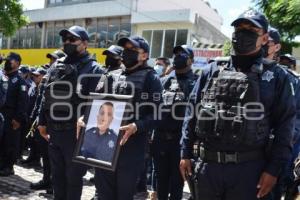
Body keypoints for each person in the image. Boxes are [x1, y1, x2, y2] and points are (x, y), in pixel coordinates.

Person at [179, 9, 296, 200]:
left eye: (251, 29)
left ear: (265, 38)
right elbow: (191, 113)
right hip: (207, 167)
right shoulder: (212, 70)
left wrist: (274, 170)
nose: (243, 34)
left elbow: (285, 127)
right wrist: (184, 153)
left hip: (250, 170)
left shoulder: (277, 77)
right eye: (239, 28)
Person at [78, 36, 163, 200]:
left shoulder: (152, 79)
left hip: (131, 149)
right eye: (125, 49)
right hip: (103, 147)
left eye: (132, 50)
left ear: (144, 55)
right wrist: (85, 117)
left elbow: (158, 114)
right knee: (103, 195)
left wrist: (137, 126)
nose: (127, 53)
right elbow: (96, 103)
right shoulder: (110, 75)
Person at [37, 25, 104, 200]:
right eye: (65, 40)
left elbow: (98, 104)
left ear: (85, 43)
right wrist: (41, 121)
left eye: (72, 40)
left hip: (76, 135)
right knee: (57, 177)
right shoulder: (57, 66)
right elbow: (45, 94)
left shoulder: (94, 69)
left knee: (73, 178)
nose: (67, 43)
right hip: (54, 131)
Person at [153, 45, 199, 200]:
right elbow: (154, 110)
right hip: (160, 140)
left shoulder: (197, 83)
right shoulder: (164, 81)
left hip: (180, 143)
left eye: (182, 54)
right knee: (161, 181)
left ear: (191, 60)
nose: (178, 56)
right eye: (176, 54)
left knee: (177, 183)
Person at [0, 52, 28, 176]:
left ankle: (9, 166)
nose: (7, 62)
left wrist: (18, 119)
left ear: (17, 63)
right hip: (3, 115)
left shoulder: (20, 80)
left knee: (10, 142)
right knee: (2, 141)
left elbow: (23, 102)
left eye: (9, 60)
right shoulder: (6, 78)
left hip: (12, 117)